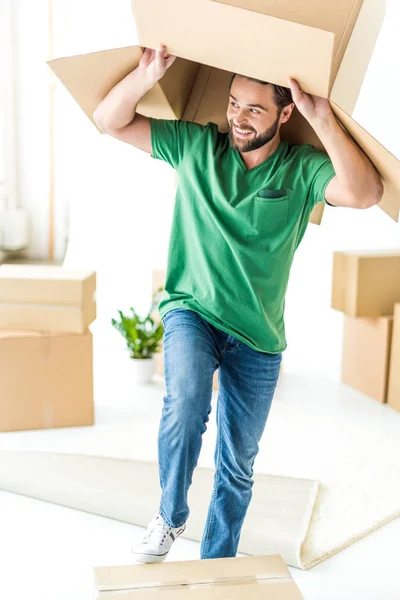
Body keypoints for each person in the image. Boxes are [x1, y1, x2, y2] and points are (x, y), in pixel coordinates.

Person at [93, 45, 383, 563]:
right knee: (185, 404)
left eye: (254, 109)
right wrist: (144, 76)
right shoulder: (195, 146)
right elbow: (108, 122)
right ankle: (170, 515)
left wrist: (322, 116)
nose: (238, 118)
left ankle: (217, 563)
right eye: (234, 103)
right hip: (192, 311)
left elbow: (365, 193)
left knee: (238, 461)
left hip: (259, 335)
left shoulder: (302, 170)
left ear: (284, 113)